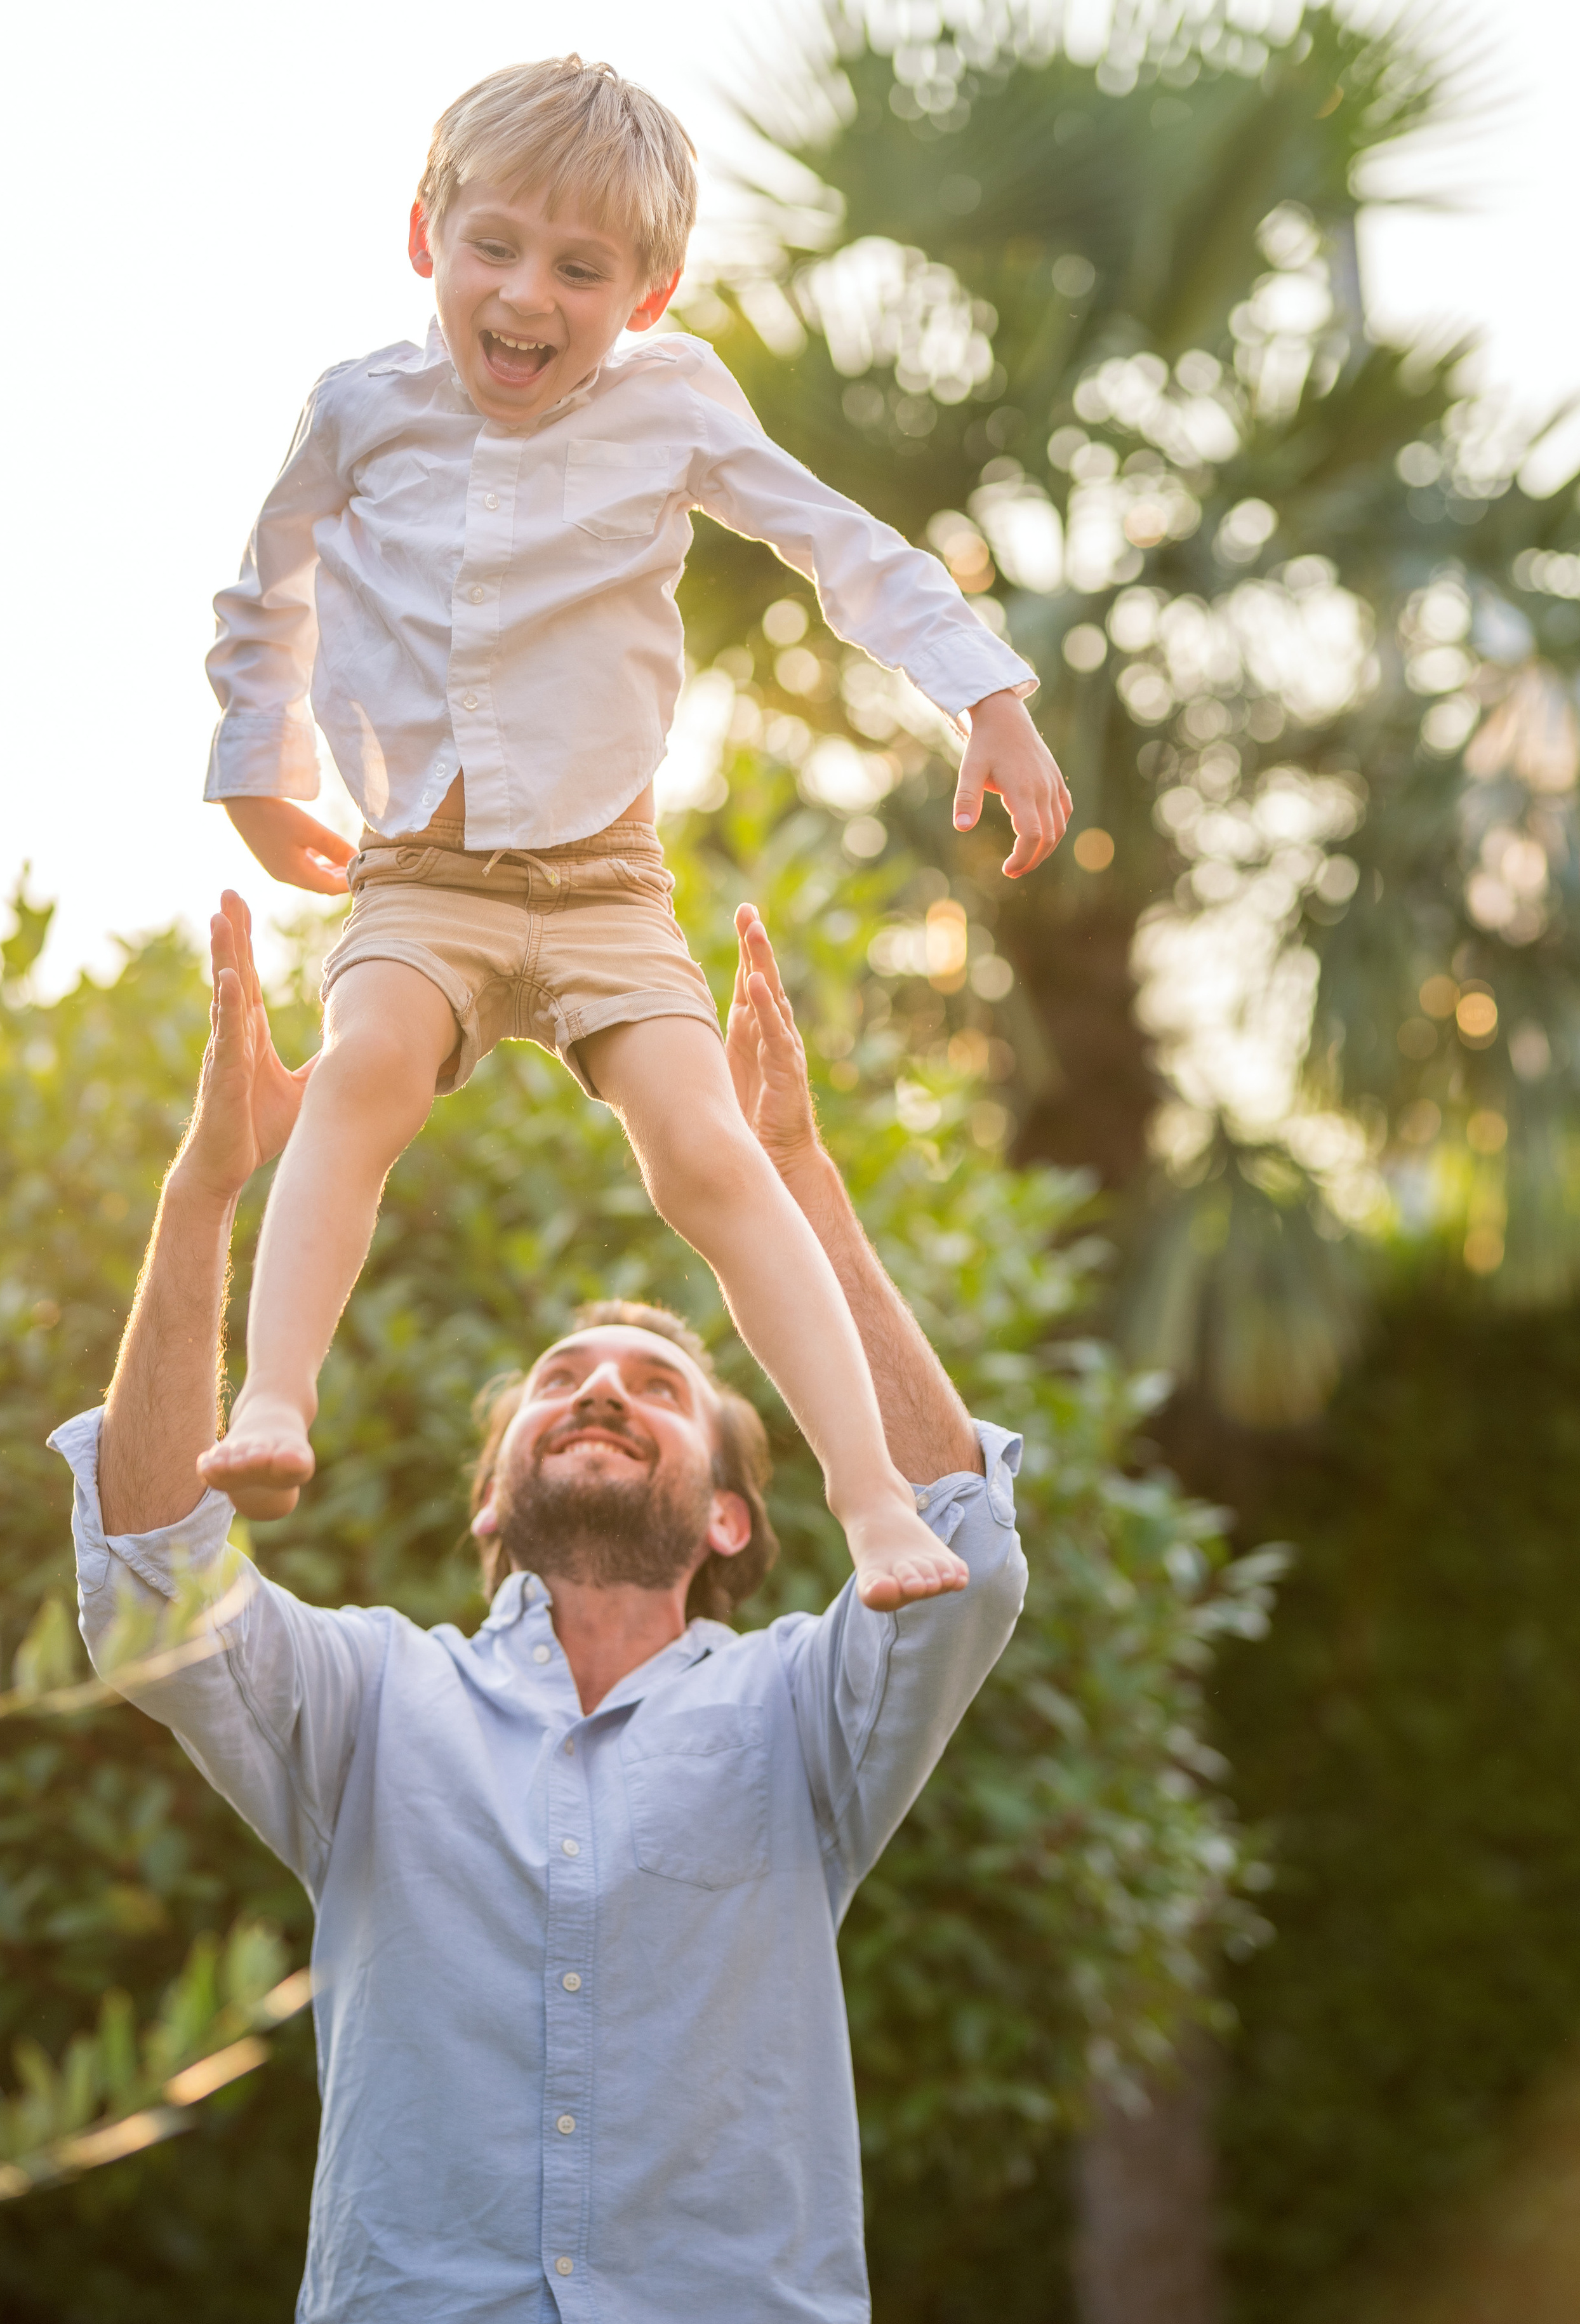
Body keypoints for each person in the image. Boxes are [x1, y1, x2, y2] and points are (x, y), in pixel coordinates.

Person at [51, 892, 1028, 2324]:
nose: (599, 1390)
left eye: (658, 1383)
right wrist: (208, 1188)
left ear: (725, 1514)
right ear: (491, 1502)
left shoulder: (799, 1710)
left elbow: (961, 1542)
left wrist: (791, 1178)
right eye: (561, 1379)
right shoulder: (372, 1700)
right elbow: (153, 1578)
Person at [197, 53, 1069, 1614]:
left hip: (605, 888)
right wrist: (260, 764)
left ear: (648, 293)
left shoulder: (671, 404)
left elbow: (832, 543)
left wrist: (983, 693)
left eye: (580, 270)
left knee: (711, 1157)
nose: (526, 295)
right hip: (420, 873)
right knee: (364, 1072)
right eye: (495, 247)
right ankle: (272, 1400)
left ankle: (873, 1500)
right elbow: (269, 588)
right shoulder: (359, 408)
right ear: (425, 233)